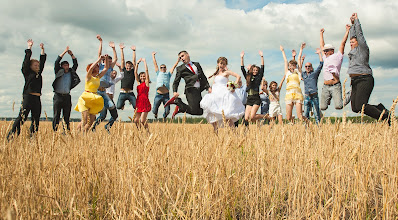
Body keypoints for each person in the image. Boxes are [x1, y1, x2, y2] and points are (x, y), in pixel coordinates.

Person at [347, 13, 390, 123]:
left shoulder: (363, 49)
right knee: (355, 108)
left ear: (358, 43)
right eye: (350, 42)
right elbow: (353, 37)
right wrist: (352, 26)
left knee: (361, 106)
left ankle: (385, 117)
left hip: (364, 79)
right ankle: (381, 109)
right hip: (355, 81)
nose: (351, 43)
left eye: (353, 42)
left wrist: (356, 21)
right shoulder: (352, 52)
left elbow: (359, 36)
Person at [7, 39, 47, 140]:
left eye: (38, 65)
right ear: (30, 66)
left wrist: (42, 50)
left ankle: (32, 138)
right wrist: (29, 47)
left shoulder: (39, 73)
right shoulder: (27, 72)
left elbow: (42, 62)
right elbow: (26, 60)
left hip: (37, 99)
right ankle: (11, 136)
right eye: (35, 65)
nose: (38, 67)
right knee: (22, 117)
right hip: (28, 97)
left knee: (36, 119)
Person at [200, 57, 245, 132]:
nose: (222, 65)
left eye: (224, 64)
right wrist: (210, 89)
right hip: (216, 95)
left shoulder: (226, 72)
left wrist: (234, 86)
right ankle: (216, 134)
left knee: (227, 116)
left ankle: (235, 135)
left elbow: (238, 76)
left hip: (224, 95)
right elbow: (215, 83)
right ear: (218, 63)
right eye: (221, 63)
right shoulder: (216, 74)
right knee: (213, 114)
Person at [164, 51, 211, 118]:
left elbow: (203, 77)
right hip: (190, 90)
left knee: (200, 112)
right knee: (194, 110)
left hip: (198, 90)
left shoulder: (197, 64)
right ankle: (177, 101)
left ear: (187, 55)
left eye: (182, 56)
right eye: (180, 58)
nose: (181, 58)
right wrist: (174, 91)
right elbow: (176, 81)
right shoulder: (180, 68)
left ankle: (181, 107)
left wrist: (208, 87)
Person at [320, 24, 350, 111]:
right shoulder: (325, 58)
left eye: (326, 50)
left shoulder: (338, 56)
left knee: (339, 106)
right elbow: (322, 45)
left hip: (335, 85)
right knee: (323, 107)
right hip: (325, 86)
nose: (325, 52)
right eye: (324, 51)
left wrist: (347, 31)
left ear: (332, 50)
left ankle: (351, 93)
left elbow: (343, 43)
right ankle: (328, 98)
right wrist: (321, 34)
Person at [75, 55, 109, 132]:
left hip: (93, 98)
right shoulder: (88, 77)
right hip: (85, 98)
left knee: (91, 121)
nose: (98, 68)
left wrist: (106, 58)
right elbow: (90, 68)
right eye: (97, 67)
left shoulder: (97, 77)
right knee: (84, 120)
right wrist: (99, 59)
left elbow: (106, 68)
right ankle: (76, 133)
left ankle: (85, 135)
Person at [92, 35, 118, 131]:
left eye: (110, 61)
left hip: (104, 92)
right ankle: (93, 127)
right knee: (102, 115)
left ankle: (106, 126)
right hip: (98, 92)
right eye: (107, 61)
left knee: (111, 108)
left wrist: (114, 48)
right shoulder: (101, 66)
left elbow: (116, 59)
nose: (109, 62)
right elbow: (99, 54)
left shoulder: (110, 67)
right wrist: (100, 42)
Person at [52, 46, 80, 131]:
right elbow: (56, 61)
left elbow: (75, 64)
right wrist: (64, 51)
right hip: (58, 96)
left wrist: (71, 54)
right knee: (56, 115)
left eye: (67, 65)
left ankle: (66, 132)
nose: (66, 66)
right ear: (61, 66)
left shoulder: (71, 72)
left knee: (66, 115)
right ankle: (55, 131)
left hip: (67, 96)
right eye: (64, 65)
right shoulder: (58, 72)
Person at [240, 50, 267, 124]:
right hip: (249, 98)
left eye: (256, 70)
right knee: (246, 118)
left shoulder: (258, 78)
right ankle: (253, 126)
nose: (255, 71)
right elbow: (242, 69)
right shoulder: (248, 78)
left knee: (252, 116)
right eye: (254, 70)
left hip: (256, 98)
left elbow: (262, 68)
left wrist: (262, 57)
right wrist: (242, 58)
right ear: (251, 70)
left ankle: (265, 116)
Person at [151, 51, 179, 119]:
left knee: (167, 111)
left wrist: (178, 61)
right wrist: (153, 56)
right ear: (160, 69)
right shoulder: (158, 73)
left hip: (166, 95)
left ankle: (164, 117)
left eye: (164, 67)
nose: (163, 68)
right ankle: (156, 113)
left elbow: (174, 67)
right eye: (161, 67)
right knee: (154, 110)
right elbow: (155, 64)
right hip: (158, 95)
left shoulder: (168, 74)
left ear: (166, 69)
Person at [280, 44, 304, 122]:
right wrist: (283, 51)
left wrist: (301, 49)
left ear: (295, 66)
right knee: (288, 117)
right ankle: (292, 119)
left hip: (297, 94)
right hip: (289, 94)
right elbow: (285, 61)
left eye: (293, 65)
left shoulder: (298, 72)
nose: (291, 66)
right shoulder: (287, 73)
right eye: (290, 65)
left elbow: (299, 58)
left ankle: (307, 122)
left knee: (300, 116)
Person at [301, 47, 324, 123]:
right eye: (306, 66)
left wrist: (319, 54)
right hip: (307, 96)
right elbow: (298, 68)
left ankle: (319, 129)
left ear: (311, 67)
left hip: (314, 96)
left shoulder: (314, 74)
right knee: (306, 114)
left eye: (309, 66)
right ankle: (307, 130)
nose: (307, 67)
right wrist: (302, 60)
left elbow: (321, 64)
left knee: (316, 114)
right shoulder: (303, 75)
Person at [116, 44, 137, 111]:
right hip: (122, 92)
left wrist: (134, 51)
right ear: (125, 66)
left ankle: (130, 101)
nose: (128, 67)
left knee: (136, 106)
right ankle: (123, 103)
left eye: (129, 66)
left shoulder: (133, 71)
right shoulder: (123, 70)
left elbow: (134, 61)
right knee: (118, 107)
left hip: (130, 93)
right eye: (127, 66)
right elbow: (122, 60)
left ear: (131, 66)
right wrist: (121, 50)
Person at [134, 58, 151, 129]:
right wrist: (137, 63)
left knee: (142, 120)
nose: (142, 77)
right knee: (135, 120)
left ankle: (147, 132)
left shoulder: (146, 83)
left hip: (145, 102)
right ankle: (139, 132)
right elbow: (135, 73)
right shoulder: (138, 83)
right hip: (139, 102)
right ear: (139, 77)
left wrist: (144, 62)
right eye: (141, 76)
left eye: (144, 76)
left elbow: (146, 71)